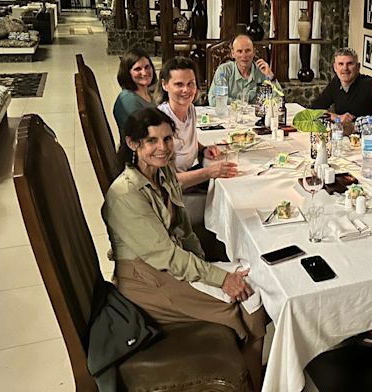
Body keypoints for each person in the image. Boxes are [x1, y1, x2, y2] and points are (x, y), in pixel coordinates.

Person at [102, 108, 266, 389]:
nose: (162, 148)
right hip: (147, 280)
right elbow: (166, 256)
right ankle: (249, 378)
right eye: (151, 141)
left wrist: (205, 265)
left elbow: (185, 230)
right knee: (248, 304)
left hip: (172, 264)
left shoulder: (164, 172)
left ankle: (255, 375)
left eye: (167, 139)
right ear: (132, 143)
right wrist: (221, 279)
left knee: (255, 286)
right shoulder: (126, 194)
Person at [158, 56, 236, 189]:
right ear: (165, 85)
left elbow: (185, 141)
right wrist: (209, 172)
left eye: (191, 83)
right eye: (179, 84)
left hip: (188, 173)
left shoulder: (191, 109)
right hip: (174, 191)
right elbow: (167, 181)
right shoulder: (161, 122)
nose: (186, 90)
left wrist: (203, 149)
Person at [208, 34, 276, 106]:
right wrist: (241, 104)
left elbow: (278, 100)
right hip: (230, 116)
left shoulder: (262, 70)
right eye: (239, 51)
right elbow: (214, 100)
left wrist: (270, 76)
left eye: (248, 51)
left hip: (256, 116)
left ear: (254, 52)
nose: (244, 56)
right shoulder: (223, 71)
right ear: (233, 54)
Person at [112, 48, 156, 132]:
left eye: (147, 67)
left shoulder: (148, 93)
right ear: (127, 73)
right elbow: (142, 132)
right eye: (138, 69)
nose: (144, 72)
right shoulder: (128, 99)